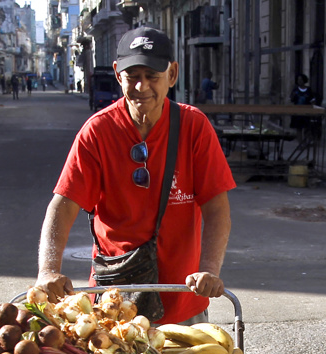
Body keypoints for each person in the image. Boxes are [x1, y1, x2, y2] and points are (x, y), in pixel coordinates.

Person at [34, 26, 235, 326]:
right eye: (133, 77)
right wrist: (48, 270)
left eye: (152, 76)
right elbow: (63, 205)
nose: (142, 87)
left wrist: (209, 269)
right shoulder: (98, 131)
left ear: (172, 74)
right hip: (113, 303)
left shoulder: (194, 127)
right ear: (118, 74)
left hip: (182, 300)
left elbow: (217, 208)